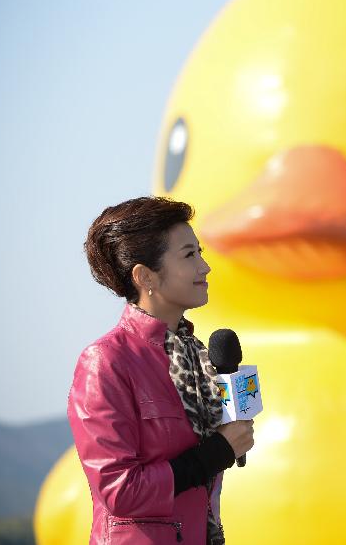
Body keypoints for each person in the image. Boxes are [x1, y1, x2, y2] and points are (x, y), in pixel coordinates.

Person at [69, 197, 255, 544]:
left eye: (200, 252)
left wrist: (231, 439)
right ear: (145, 276)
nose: (205, 267)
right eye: (189, 255)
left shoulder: (197, 355)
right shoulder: (105, 362)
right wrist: (216, 452)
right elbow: (120, 491)